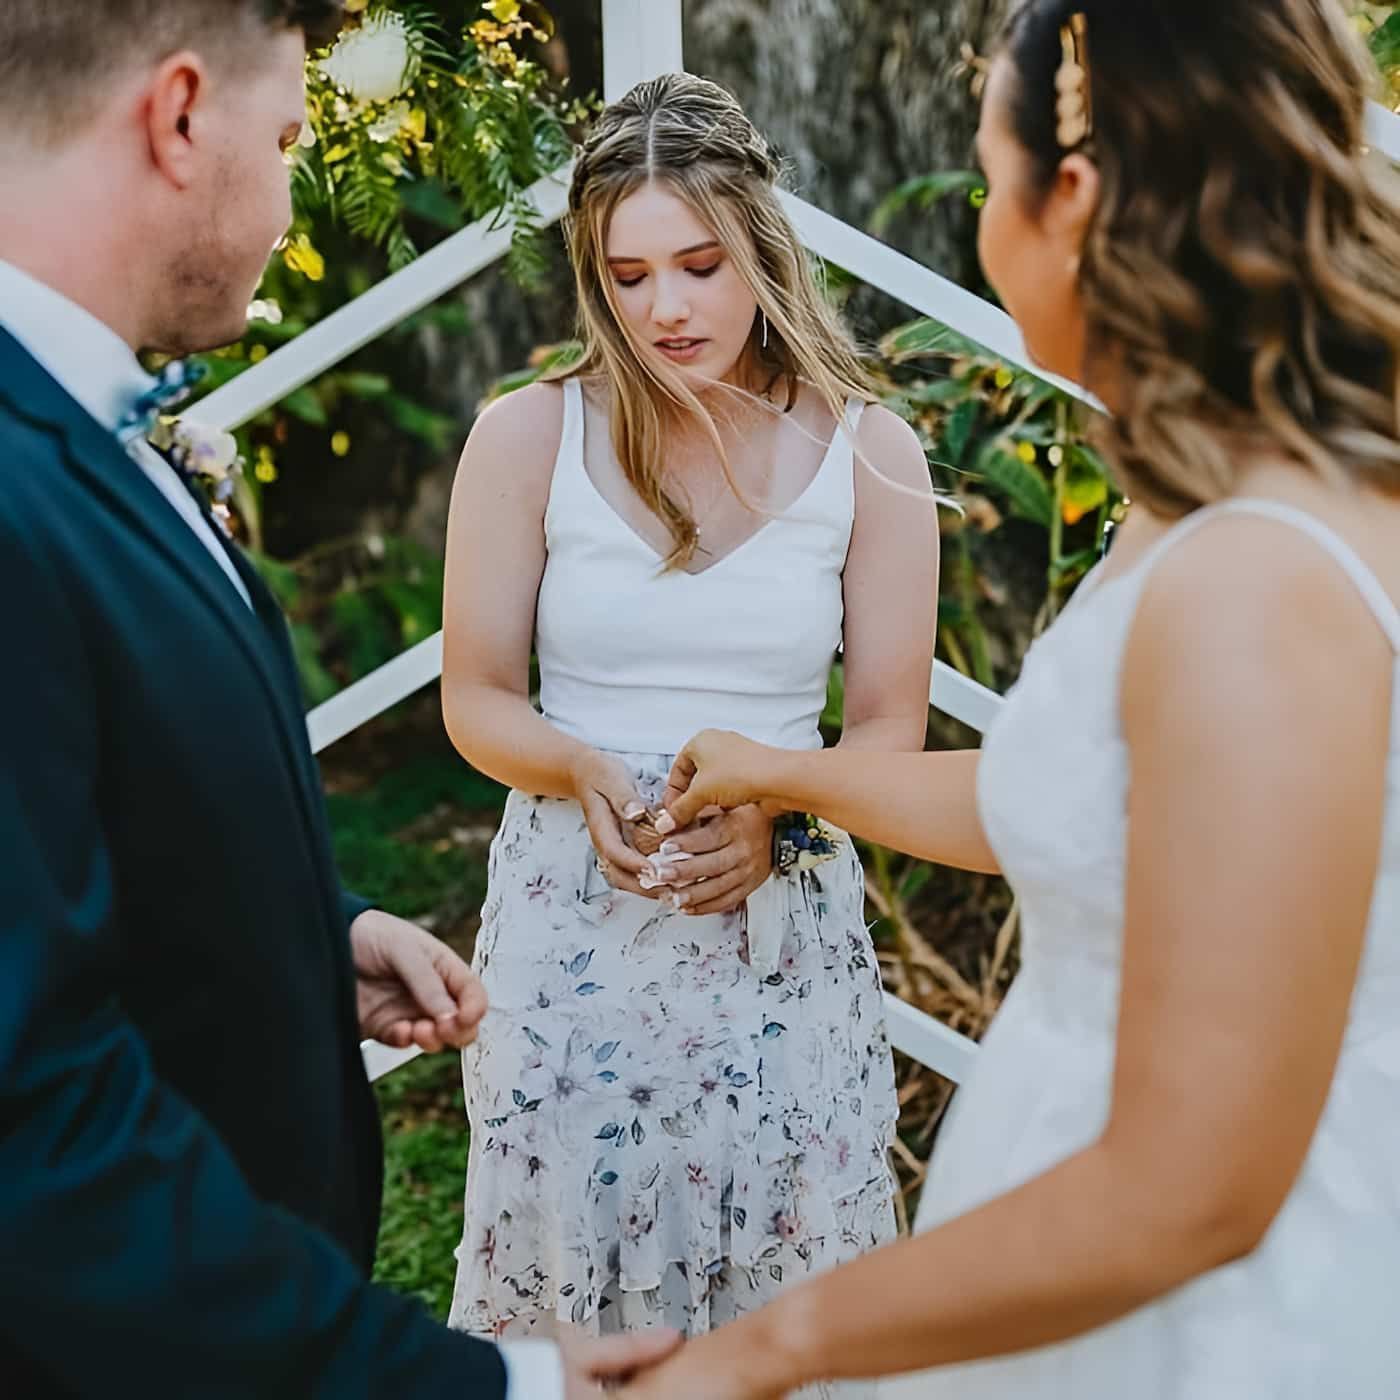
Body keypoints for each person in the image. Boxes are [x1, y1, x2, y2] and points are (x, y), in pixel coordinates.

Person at [619, 1, 1400, 1396]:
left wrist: (767, 1350)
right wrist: (775, 770)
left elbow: (1194, 1187)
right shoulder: (1229, 502)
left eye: (991, 181)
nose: (984, 221)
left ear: (1077, 199)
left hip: (1208, 1327)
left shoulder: (1257, 581)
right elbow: (1109, 813)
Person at [0, 3, 678, 1395]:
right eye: (291, 137)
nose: (293, 186)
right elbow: (32, 1113)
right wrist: (483, 1386)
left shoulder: (86, 431)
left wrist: (313, 935)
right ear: (179, 117)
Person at [439, 72, 939, 1393]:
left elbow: (891, 727)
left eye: (701, 265)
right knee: (570, 1263)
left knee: (782, 1264)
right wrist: (576, 767)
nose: (666, 308)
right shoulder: (525, 437)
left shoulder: (873, 455)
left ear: (762, 249)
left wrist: (780, 805)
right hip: (573, 919)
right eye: (631, 273)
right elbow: (475, 693)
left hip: (776, 927)